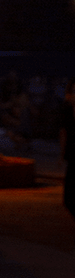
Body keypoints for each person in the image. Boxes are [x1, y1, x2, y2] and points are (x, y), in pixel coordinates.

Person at [59, 77, 75, 224]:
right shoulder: (67, 111)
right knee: (68, 198)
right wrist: (61, 154)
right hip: (72, 156)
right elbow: (63, 132)